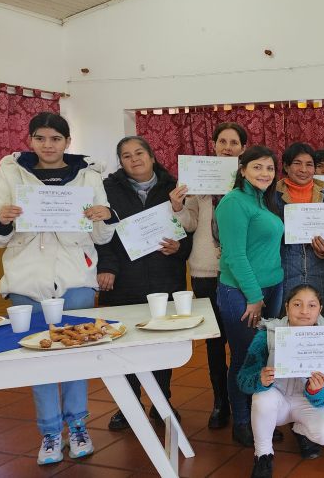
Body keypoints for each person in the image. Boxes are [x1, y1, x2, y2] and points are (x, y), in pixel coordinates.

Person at [0, 112, 115, 465]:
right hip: (26, 278)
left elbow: (102, 235)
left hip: (76, 276)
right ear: (30, 140)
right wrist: (4, 220)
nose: (48, 145)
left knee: (75, 353)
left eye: (56, 139)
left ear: (67, 142)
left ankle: (77, 426)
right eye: (40, 138)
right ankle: (50, 433)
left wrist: (104, 217)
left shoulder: (88, 173)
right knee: (36, 356)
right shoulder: (11, 171)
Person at [97, 136, 192, 431]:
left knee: (162, 342)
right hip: (123, 279)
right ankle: (130, 405)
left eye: (139, 153)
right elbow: (99, 233)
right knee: (124, 344)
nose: (134, 159)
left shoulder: (174, 187)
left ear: (152, 156)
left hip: (165, 276)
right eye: (126, 156)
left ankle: (161, 402)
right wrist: (107, 267)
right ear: (121, 162)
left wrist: (181, 249)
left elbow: (191, 229)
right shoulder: (106, 189)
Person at [170, 122, 246, 429]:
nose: (227, 147)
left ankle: (243, 400)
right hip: (204, 269)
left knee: (242, 342)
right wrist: (177, 206)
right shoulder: (196, 176)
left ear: (242, 149)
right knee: (214, 342)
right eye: (222, 141)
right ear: (214, 144)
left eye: (234, 143)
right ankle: (220, 403)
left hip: (239, 271)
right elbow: (189, 223)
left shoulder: (248, 178)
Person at [215, 145, 285, 447]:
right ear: (242, 169)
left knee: (264, 357)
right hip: (243, 293)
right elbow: (234, 256)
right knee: (244, 359)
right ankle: (242, 422)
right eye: (257, 167)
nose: (264, 173)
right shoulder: (233, 202)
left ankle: (261, 419)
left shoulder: (264, 201)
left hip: (272, 288)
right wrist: (254, 297)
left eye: (269, 168)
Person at [237, 284, 324, 478]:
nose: (304, 311)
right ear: (287, 307)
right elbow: (243, 379)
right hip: (277, 403)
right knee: (262, 398)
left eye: (311, 305)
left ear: (320, 310)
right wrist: (259, 379)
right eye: (297, 304)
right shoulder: (268, 334)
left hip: (305, 402)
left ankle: (300, 429)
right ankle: (263, 455)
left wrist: (316, 390)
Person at [274, 142, 324, 313]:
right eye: (297, 163)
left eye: (309, 164)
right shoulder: (272, 199)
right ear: (286, 166)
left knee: (323, 330)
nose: (303, 169)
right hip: (285, 278)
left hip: (321, 279)